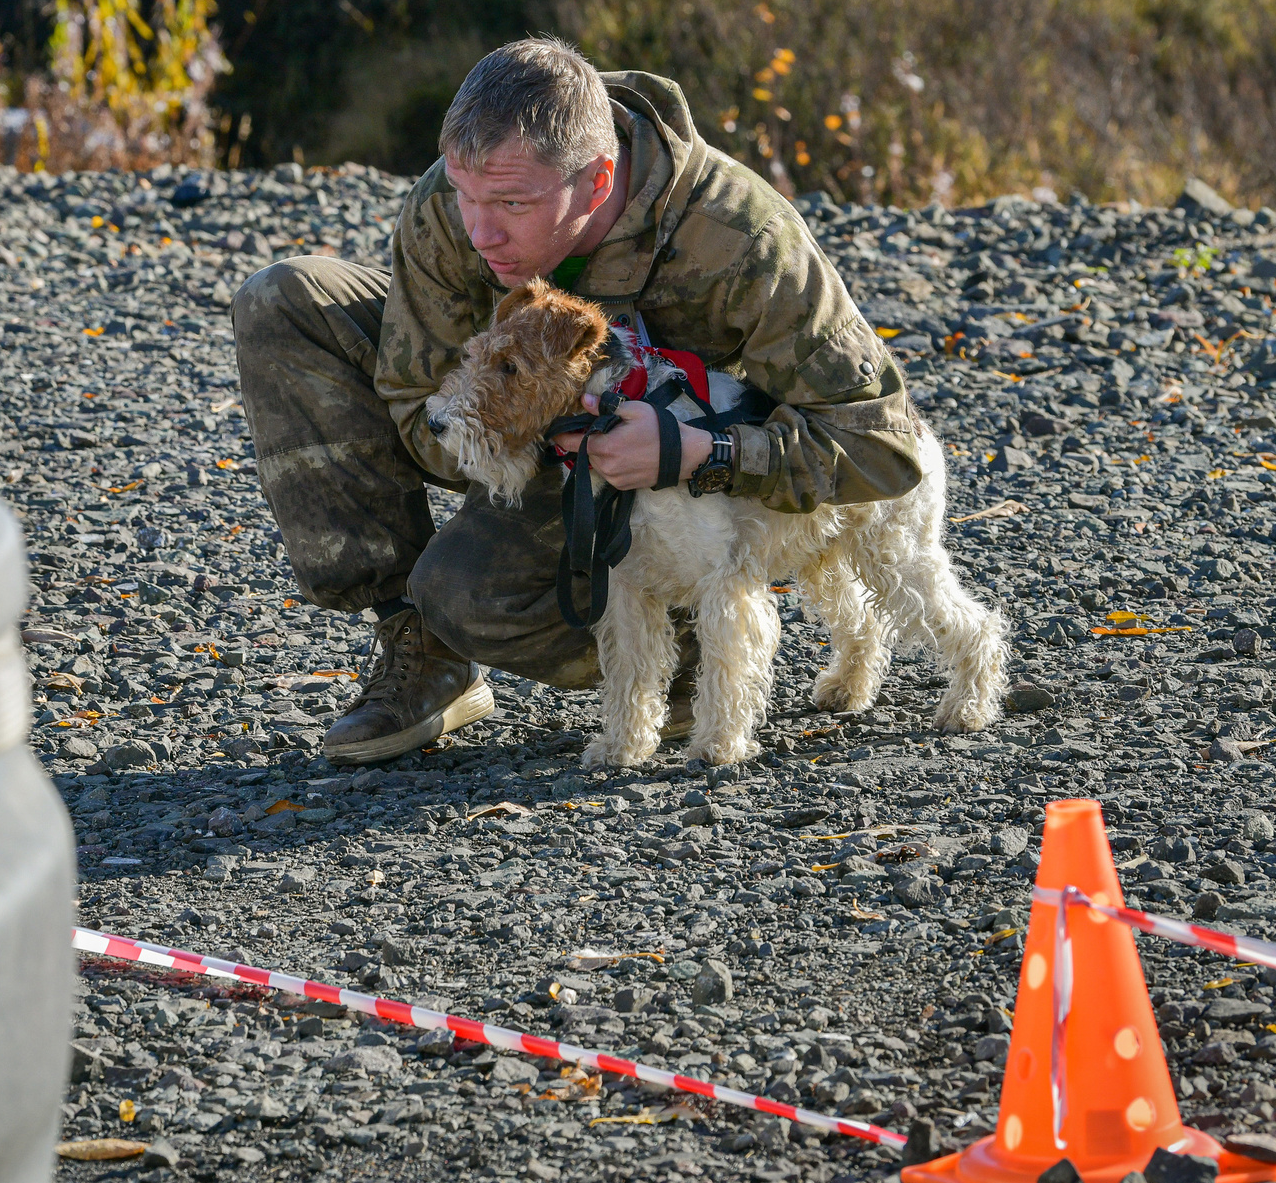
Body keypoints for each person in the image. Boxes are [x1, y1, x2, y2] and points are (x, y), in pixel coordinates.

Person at [231, 38, 927, 764]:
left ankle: (688, 652)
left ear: (597, 182)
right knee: (284, 299)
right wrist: (537, 434)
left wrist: (705, 452)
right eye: (466, 196)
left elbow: (884, 443)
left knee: (466, 592)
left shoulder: (742, 237)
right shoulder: (462, 190)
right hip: (546, 443)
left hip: (688, 496)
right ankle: (421, 645)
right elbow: (412, 398)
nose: (479, 230)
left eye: (510, 204)